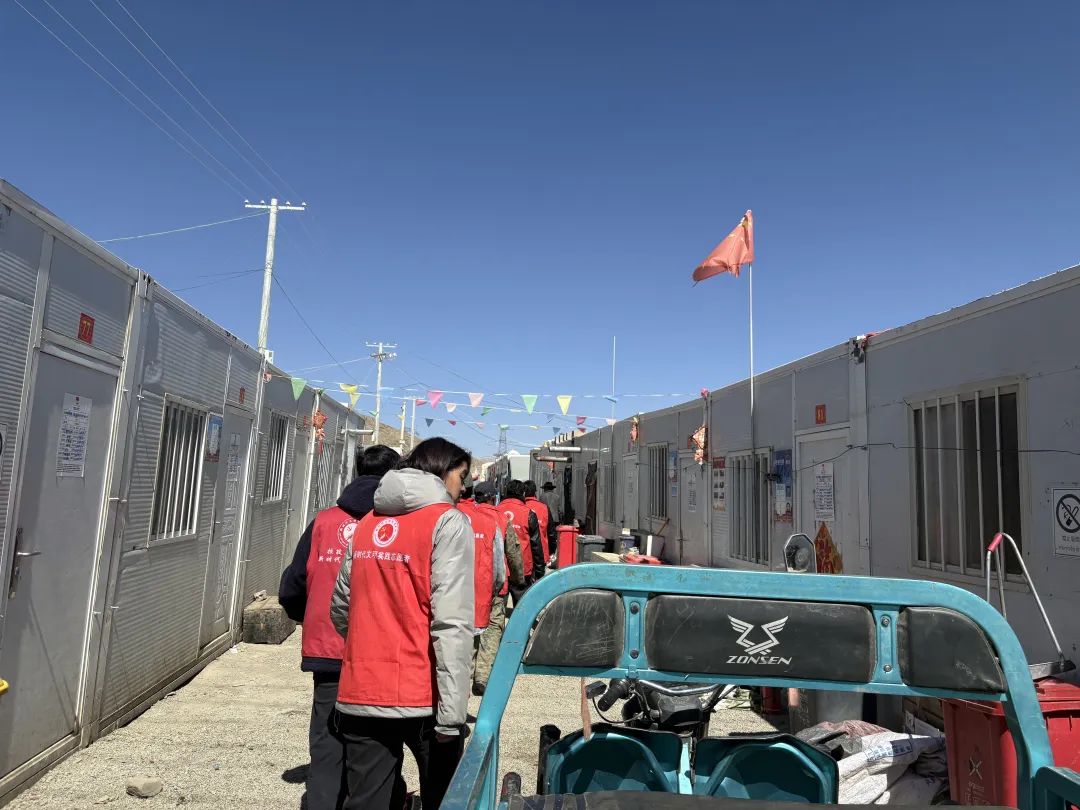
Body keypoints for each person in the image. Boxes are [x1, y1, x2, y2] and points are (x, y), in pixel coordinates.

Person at [330, 438, 475, 810]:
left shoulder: (368, 522)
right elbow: (452, 623)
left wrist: (369, 648)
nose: (464, 487)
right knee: (444, 800)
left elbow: (341, 608)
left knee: (365, 801)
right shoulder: (447, 522)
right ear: (442, 471)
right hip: (423, 694)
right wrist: (452, 715)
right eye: (462, 476)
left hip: (362, 690)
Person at [278, 444, 401, 810]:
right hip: (381, 654)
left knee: (327, 741)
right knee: (377, 745)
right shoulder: (399, 524)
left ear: (356, 472)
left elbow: (293, 584)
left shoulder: (324, 522)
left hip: (328, 650)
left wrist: (309, 617)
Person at [472, 481, 524, 695]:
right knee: (493, 627)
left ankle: (466, 671)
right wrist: (519, 578)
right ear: (493, 498)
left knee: (469, 626)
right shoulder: (501, 519)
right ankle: (483, 676)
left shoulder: (464, 517)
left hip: (467, 584)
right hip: (495, 585)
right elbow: (513, 552)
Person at [456, 484, 506, 657]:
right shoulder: (494, 519)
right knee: (482, 643)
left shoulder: (441, 514)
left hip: (447, 600)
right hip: (484, 593)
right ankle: (482, 674)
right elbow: (500, 567)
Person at [500, 480, 545, 594]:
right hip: (523, 568)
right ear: (523, 493)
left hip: (500, 567)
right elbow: (536, 545)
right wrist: (540, 570)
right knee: (521, 601)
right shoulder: (528, 513)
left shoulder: (496, 511)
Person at [524, 480, 557, 566]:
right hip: (542, 553)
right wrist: (551, 551)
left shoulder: (542, 496)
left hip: (525, 554)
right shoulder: (555, 498)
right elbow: (551, 534)